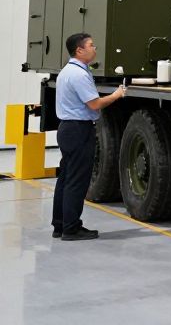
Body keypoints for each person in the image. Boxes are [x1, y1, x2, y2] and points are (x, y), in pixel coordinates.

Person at [51, 33, 127, 240]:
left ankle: (60, 225)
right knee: (77, 180)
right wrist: (116, 95)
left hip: (68, 129)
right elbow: (94, 104)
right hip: (78, 130)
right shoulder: (78, 75)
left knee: (66, 178)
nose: (95, 49)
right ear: (79, 50)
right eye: (91, 46)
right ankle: (71, 228)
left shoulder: (67, 71)